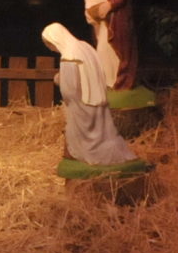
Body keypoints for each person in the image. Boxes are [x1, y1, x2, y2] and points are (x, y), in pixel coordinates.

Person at [41, 23, 139, 166]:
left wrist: (59, 80)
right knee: (101, 134)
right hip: (96, 97)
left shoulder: (68, 55)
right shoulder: (84, 46)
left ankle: (83, 155)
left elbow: (70, 90)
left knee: (82, 136)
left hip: (81, 103)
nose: (52, 49)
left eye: (51, 45)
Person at [80, 0, 137, 90]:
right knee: (101, 47)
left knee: (110, 49)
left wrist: (109, 5)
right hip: (99, 19)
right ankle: (105, 81)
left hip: (114, 18)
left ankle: (116, 81)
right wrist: (89, 9)